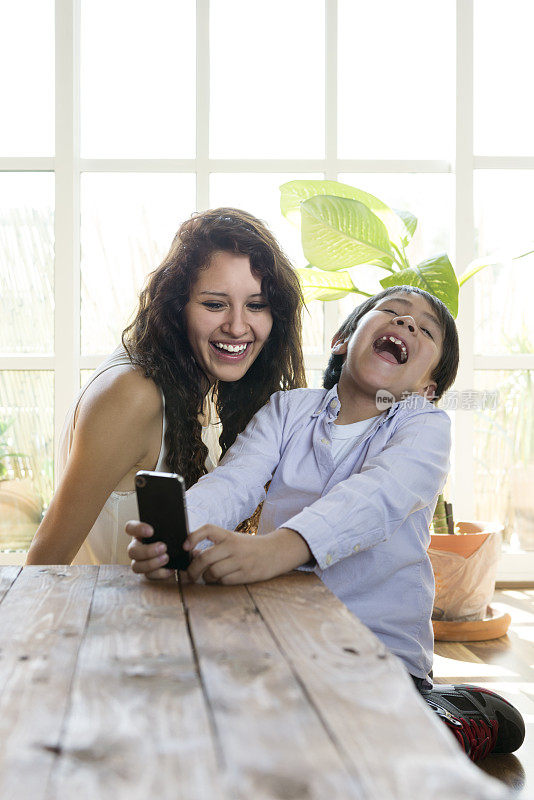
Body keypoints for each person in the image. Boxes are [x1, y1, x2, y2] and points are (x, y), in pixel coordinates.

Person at [126, 285, 525, 762]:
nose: (406, 325)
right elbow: (235, 482)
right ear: (342, 338)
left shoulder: (424, 426)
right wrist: (176, 535)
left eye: (425, 330)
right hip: (279, 639)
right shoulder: (287, 410)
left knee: (347, 746)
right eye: (393, 314)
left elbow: (377, 496)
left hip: (377, 655)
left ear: (427, 388)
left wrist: (278, 548)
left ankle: (447, 711)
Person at [26, 208, 305, 566]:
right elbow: (43, 564)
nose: (238, 326)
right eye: (215, 304)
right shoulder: (133, 394)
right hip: (109, 619)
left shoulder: (192, 385)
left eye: (256, 305)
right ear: (178, 307)